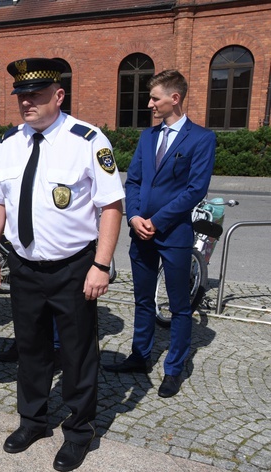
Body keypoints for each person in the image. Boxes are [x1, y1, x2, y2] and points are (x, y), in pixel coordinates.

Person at [0, 58, 124, 472]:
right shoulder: (11, 144)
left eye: (36, 95)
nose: (26, 102)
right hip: (24, 265)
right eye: (21, 96)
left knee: (77, 354)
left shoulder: (87, 140)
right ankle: (34, 420)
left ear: (58, 95)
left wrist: (102, 264)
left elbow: (111, 206)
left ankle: (79, 431)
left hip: (74, 267)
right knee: (31, 348)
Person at [103, 70, 215, 398]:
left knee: (179, 305)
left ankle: (174, 368)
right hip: (141, 233)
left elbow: (196, 189)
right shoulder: (148, 137)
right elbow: (134, 181)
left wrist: (158, 220)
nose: (149, 103)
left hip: (174, 233)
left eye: (155, 97)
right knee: (142, 299)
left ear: (174, 98)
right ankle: (140, 356)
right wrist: (135, 216)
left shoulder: (201, 138)